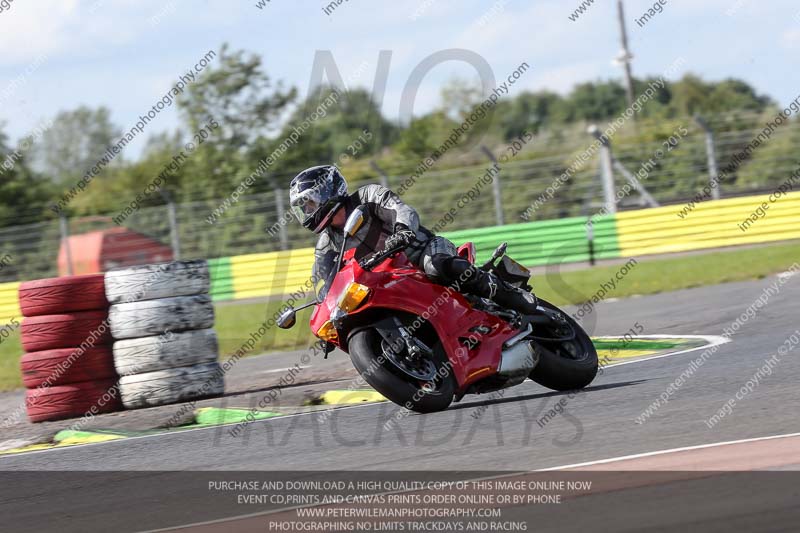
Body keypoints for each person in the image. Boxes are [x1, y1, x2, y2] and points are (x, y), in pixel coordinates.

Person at [288, 165, 538, 315]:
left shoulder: (366, 197)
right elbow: (324, 280)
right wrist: (324, 307)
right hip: (390, 280)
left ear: (328, 191)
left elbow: (401, 210)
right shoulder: (325, 244)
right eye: (303, 207)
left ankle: (507, 294)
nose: (307, 211)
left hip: (421, 251)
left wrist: (403, 230)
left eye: (309, 202)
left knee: (437, 266)